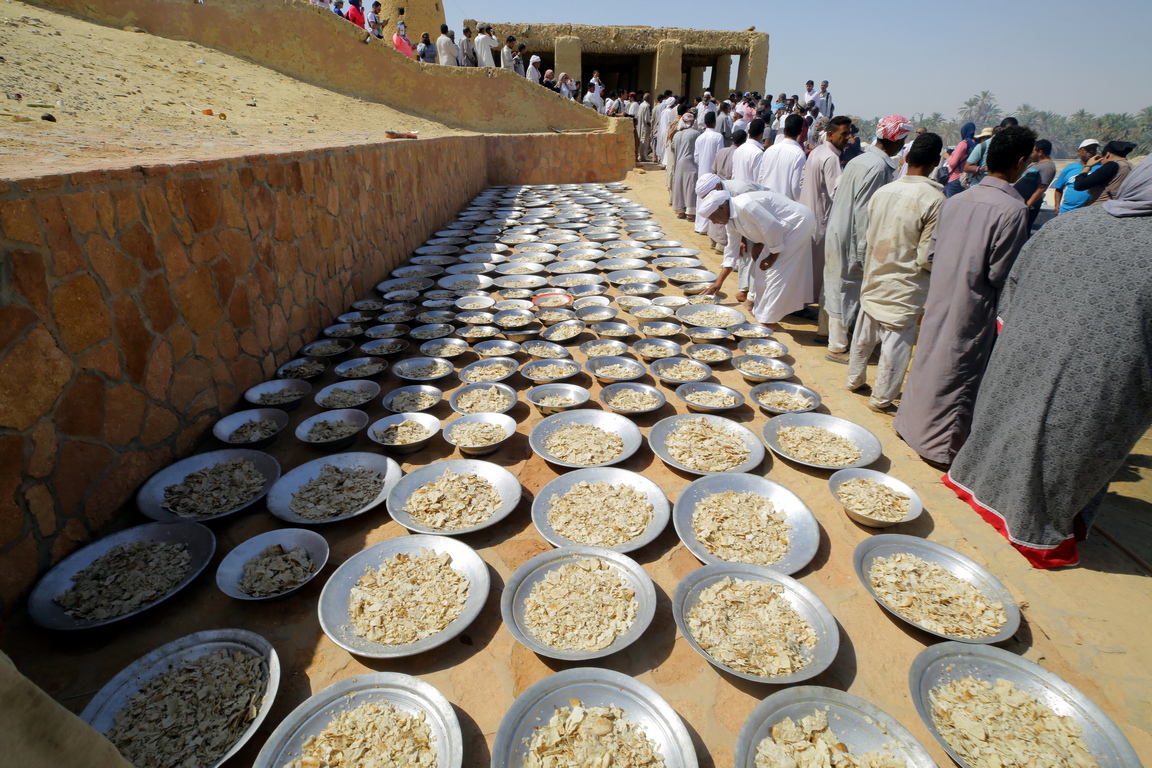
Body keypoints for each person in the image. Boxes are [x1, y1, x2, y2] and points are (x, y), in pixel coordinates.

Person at [942, 156, 1152, 568]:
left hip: (1022, 352)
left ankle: (976, 485)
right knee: (1059, 452)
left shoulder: (1070, 224)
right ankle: (1031, 527)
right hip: (1097, 378)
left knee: (1006, 426)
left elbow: (1013, 289)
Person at [894, 126, 1037, 467]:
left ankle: (909, 425)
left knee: (929, 360)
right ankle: (940, 447)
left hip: (941, 294)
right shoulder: (1012, 211)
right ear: (1020, 163)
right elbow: (1001, 274)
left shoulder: (955, 199)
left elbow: (931, 254)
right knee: (957, 373)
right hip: (972, 305)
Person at [846, 132, 946, 412]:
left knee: (865, 333)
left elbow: (869, 232)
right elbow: (927, 255)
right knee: (895, 344)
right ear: (935, 162)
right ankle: (881, 399)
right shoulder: (934, 199)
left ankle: (854, 380)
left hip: (875, 272)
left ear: (905, 158)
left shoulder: (884, 191)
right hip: (905, 282)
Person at [823, 115, 911, 363]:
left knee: (836, 283)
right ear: (897, 141)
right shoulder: (878, 167)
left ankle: (832, 338)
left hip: (838, 228)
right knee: (847, 286)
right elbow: (864, 212)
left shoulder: (860, 160)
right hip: (851, 235)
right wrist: (864, 251)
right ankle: (838, 346)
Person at [701, 187, 816, 327]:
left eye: (713, 218)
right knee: (760, 270)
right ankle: (762, 310)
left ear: (721, 208)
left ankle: (769, 320)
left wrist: (773, 256)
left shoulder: (745, 205)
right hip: (779, 230)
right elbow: (731, 250)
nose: (713, 222)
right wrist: (719, 282)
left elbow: (771, 225)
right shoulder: (730, 220)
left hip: (796, 223)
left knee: (776, 273)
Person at [799, 114, 852, 338]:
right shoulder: (830, 158)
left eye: (849, 134)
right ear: (830, 134)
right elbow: (836, 192)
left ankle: (799, 304)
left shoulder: (818, 151)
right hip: (820, 220)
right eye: (844, 134)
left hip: (807, 214)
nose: (848, 138)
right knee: (818, 269)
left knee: (806, 266)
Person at [757, 113, 806, 200]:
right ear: (800, 132)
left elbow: (761, 178)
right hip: (785, 205)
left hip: (765, 200)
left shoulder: (770, 150)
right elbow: (795, 186)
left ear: (784, 131)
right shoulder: (799, 154)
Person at [1073, 140, 1137, 206]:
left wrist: (1088, 166)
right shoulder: (1129, 165)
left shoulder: (1112, 165)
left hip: (1103, 206)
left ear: (1107, 155)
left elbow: (1079, 185)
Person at [693, 111, 725, 231]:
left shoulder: (700, 138)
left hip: (702, 172)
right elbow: (719, 156)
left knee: (701, 197)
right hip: (713, 173)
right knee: (711, 198)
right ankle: (708, 227)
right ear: (714, 122)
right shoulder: (718, 136)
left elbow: (696, 157)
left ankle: (699, 226)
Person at [1013, 139, 1056, 228]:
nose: (1031, 153)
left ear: (1040, 152)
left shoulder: (1048, 166)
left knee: (1022, 230)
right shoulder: (1036, 164)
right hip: (1019, 203)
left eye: (1033, 151)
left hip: (1027, 206)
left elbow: (1041, 188)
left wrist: (1027, 205)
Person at [1052, 139, 1101, 214]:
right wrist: (1057, 204)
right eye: (1088, 149)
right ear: (1079, 152)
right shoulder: (1069, 169)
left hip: (1090, 213)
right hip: (1067, 211)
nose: (1091, 151)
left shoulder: (1102, 168)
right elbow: (1059, 188)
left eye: (1094, 149)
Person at [671, 112, 702, 219]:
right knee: (690, 187)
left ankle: (680, 211)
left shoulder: (676, 135)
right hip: (691, 164)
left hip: (679, 163)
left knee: (679, 187)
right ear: (692, 121)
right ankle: (690, 212)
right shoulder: (696, 134)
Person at [942, 122, 977, 197]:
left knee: (950, 203)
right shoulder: (975, 144)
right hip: (965, 178)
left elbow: (953, 162)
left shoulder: (963, 144)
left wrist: (947, 156)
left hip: (954, 177)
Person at [654, 92, 677, 165]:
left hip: (662, 131)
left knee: (663, 146)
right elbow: (669, 123)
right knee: (667, 147)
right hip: (667, 131)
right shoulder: (669, 112)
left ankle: (663, 162)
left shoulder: (664, 111)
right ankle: (665, 163)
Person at [636, 93, 654, 162]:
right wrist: (651, 127)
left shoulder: (641, 105)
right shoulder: (646, 106)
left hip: (640, 126)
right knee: (644, 142)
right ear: (647, 98)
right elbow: (647, 120)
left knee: (641, 141)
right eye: (649, 97)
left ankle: (640, 155)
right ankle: (642, 156)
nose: (650, 99)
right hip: (645, 127)